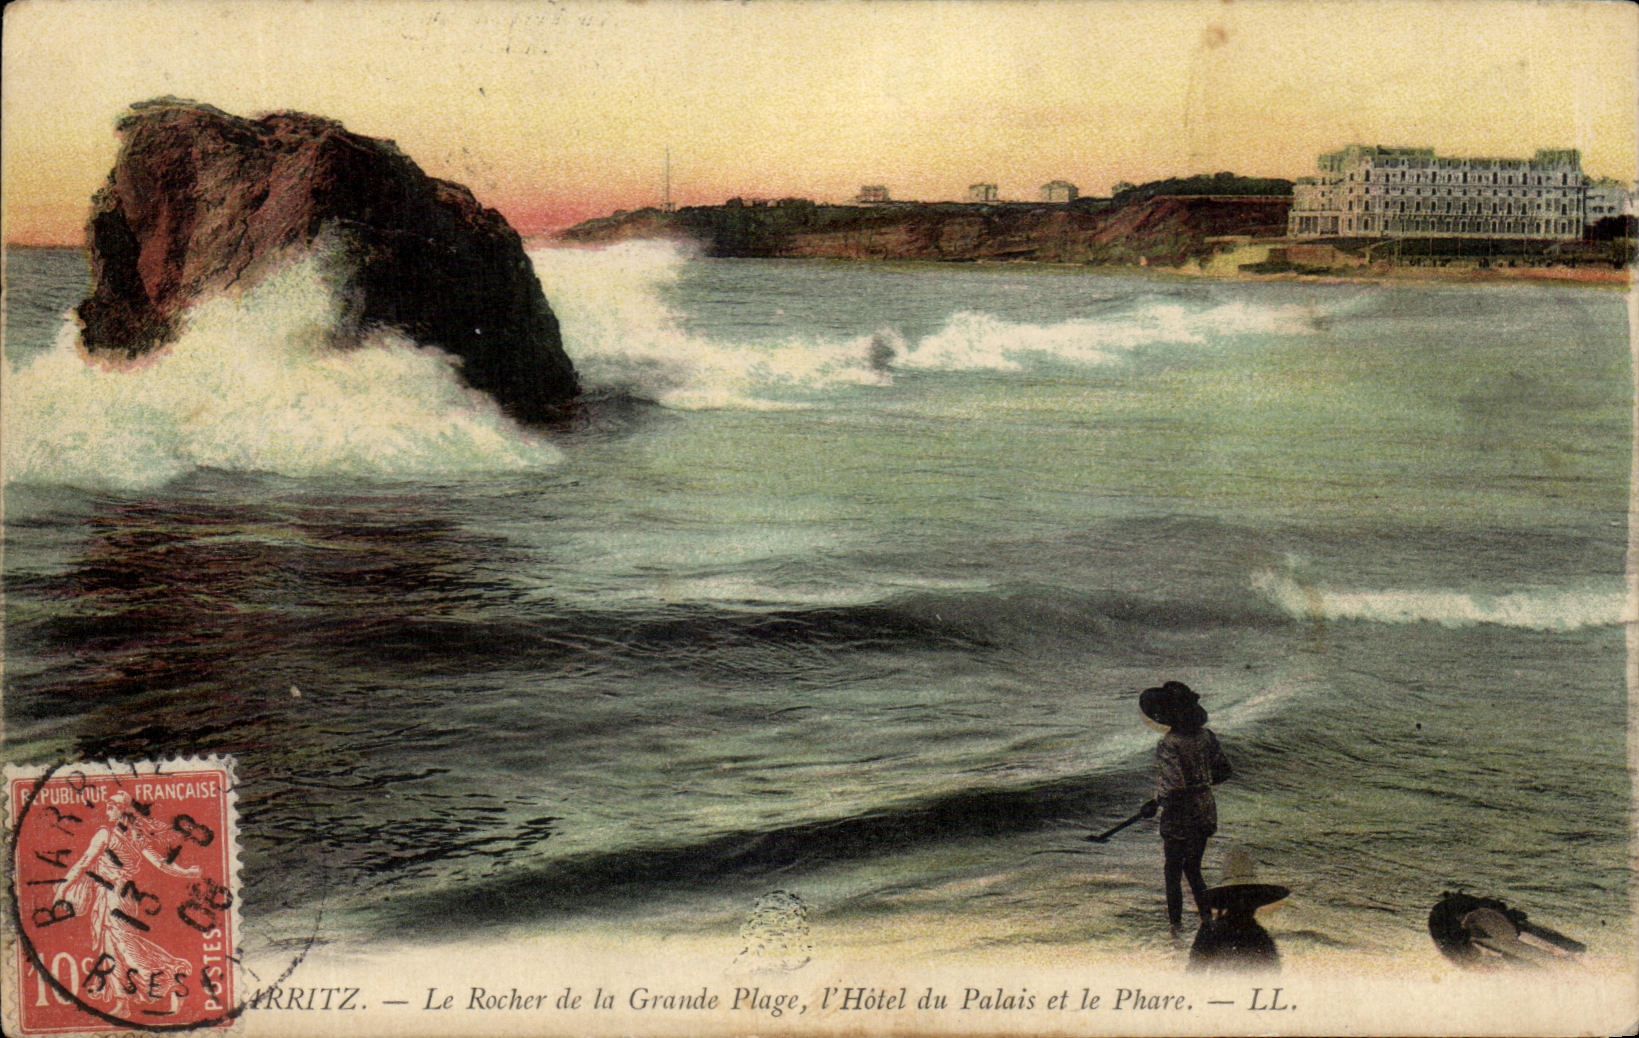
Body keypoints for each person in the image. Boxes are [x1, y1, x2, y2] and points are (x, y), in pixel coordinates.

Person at [57, 791, 201, 1015]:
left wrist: (62, 887)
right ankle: (123, 1004)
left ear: (122, 810)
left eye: (112, 806)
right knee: (113, 947)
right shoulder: (138, 837)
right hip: (125, 897)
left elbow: (85, 861)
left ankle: (169, 975)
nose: (107, 809)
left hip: (112, 896)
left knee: (123, 947)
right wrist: (186, 873)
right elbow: (163, 864)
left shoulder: (105, 834)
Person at [1138, 680, 1231, 929]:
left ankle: (1175, 928)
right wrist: (1201, 784)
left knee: (1172, 872)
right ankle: (1206, 921)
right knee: (1193, 869)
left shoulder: (1170, 743)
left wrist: (1155, 803)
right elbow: (1224, 772)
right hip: (1204, 809)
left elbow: (1174, 788)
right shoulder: (1206, 736)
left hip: (1180, 815)